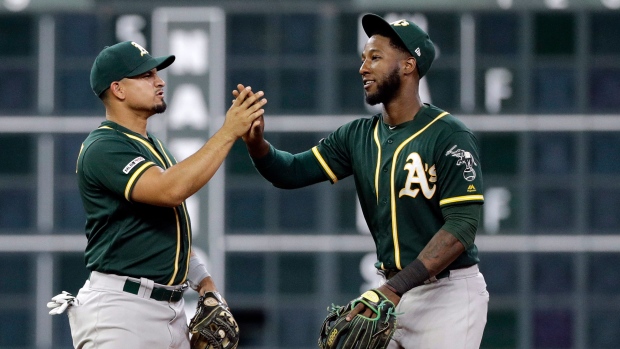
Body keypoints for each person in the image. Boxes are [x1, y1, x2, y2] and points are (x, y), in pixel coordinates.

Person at [239, 13, 489, 349]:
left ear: (408, 65)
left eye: (375, 57)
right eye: (362, 58)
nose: (363, 68)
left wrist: (394, 289)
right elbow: (291, 171)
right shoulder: (357, 135)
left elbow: (462, 226)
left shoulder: (449, 135)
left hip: (448, 295)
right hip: (391, 293)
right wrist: (257, 144)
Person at [66, 41, 266, 348]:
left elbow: (172, 233)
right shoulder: (103, 147)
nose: (159, 81)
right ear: (118, 89)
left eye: (156, 73)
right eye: (146, 75)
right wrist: (228, 131)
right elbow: (169, 190)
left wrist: (205, 283)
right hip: (120, 311)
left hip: (167, 311)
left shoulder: (153, 147)